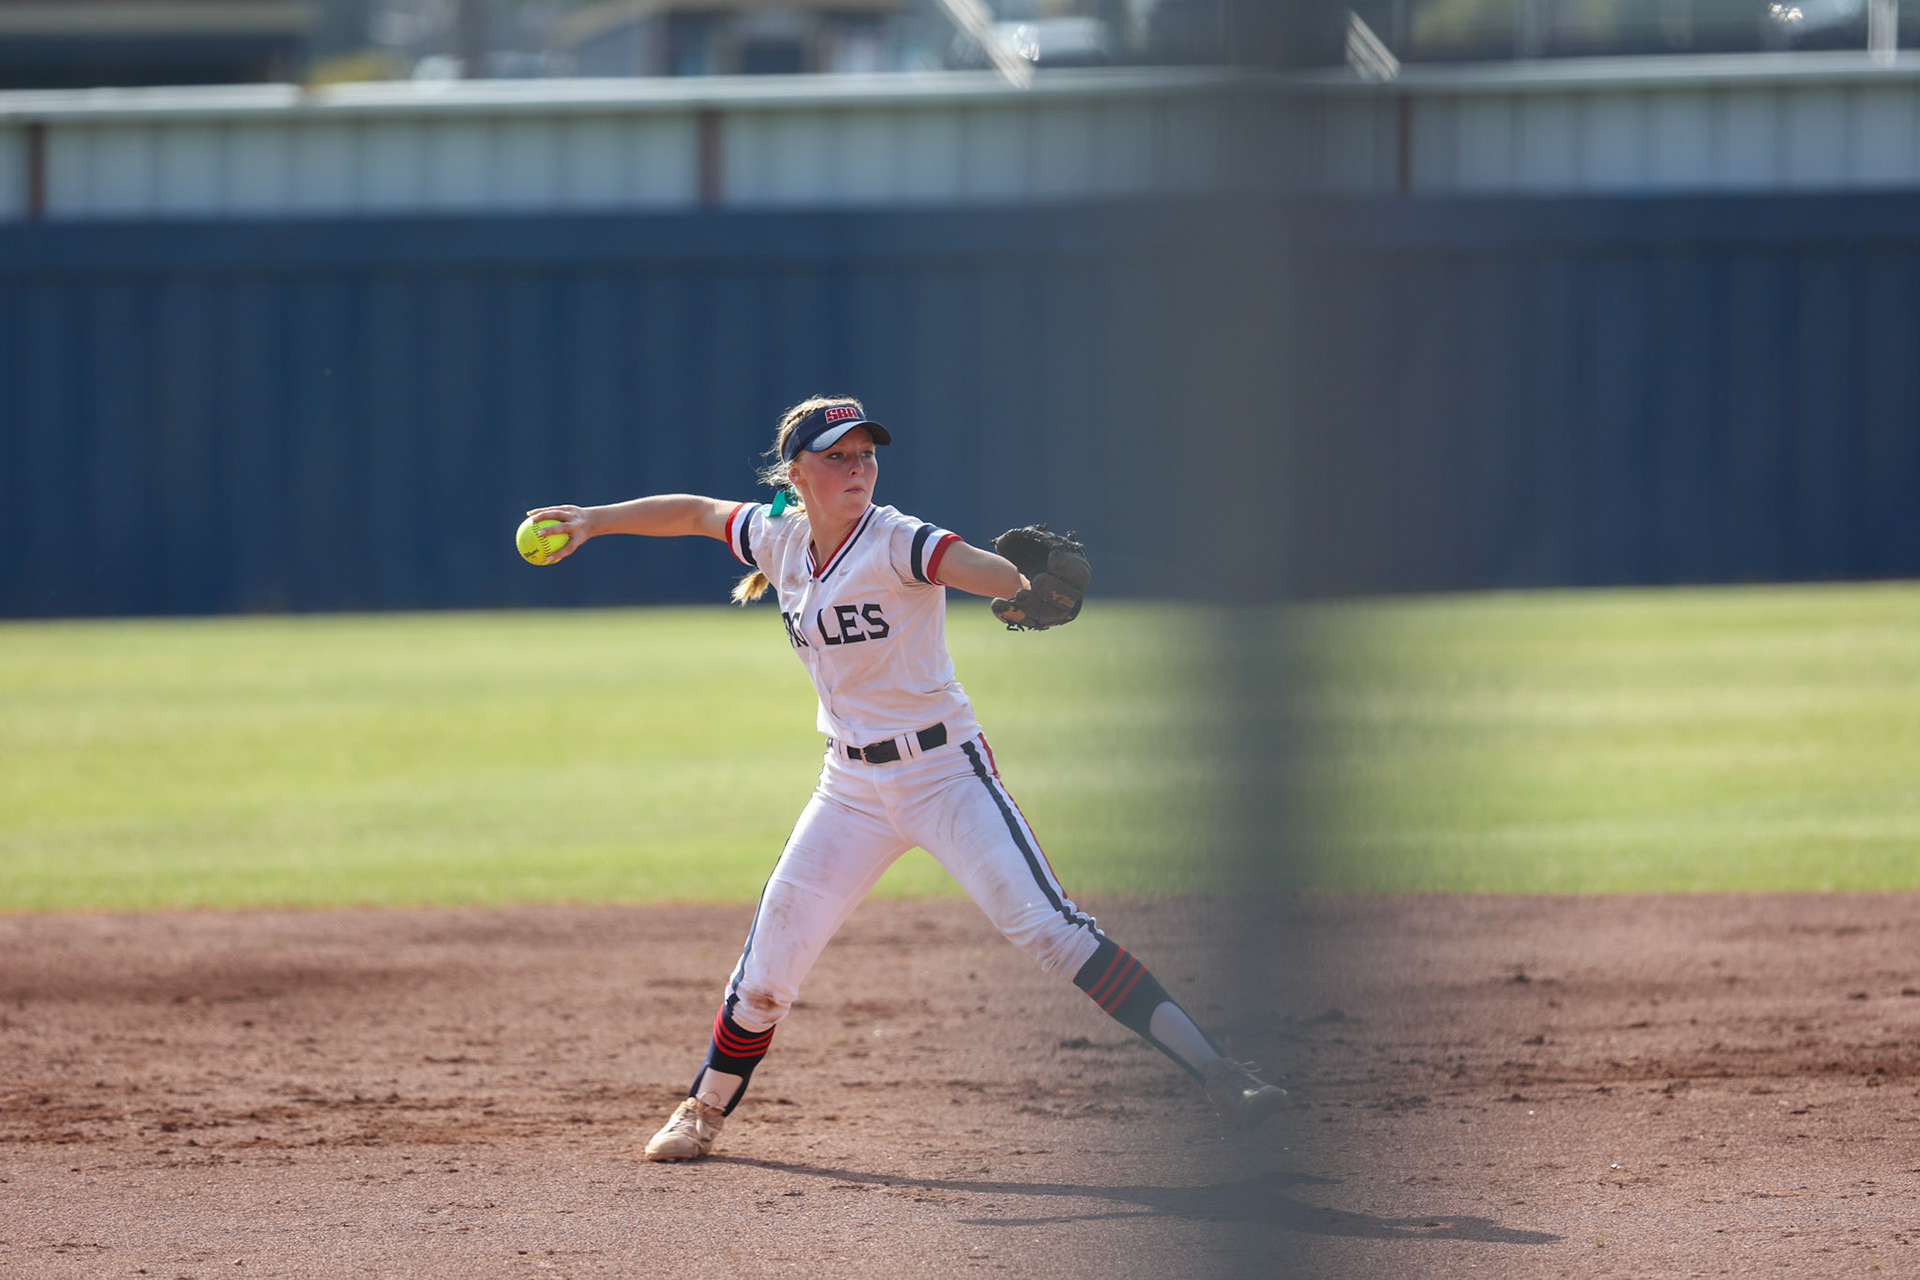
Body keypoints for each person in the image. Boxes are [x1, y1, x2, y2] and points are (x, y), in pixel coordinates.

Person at [525, 395, 1284, 1162]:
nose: (857, 468)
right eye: (837, 457)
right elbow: (693, 512)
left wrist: (1019, 584)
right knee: (766, 974)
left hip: (945, 776)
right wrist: (592, 519)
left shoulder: (895, 540)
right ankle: (703, 1111)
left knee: (1052, 931)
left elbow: (969, 565)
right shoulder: (777, 538)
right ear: (797, 474)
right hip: (848, 790)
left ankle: (1223, 1074)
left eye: (866, 455)